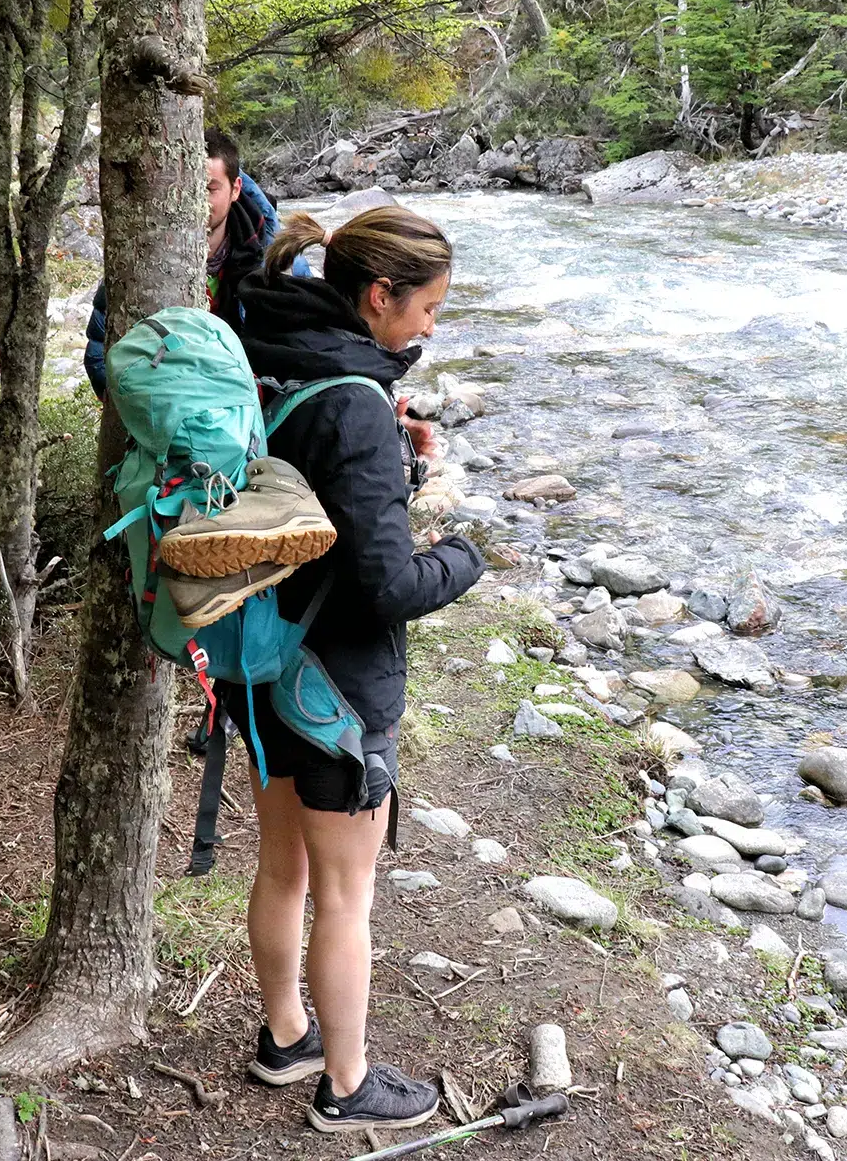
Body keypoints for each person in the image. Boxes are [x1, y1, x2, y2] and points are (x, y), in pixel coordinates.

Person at [227, 205, 483, 1132]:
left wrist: (393, 469)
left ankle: (287, 1034)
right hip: (338, 688)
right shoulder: (358, 403)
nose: (429, 326)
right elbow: (386, 584)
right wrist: (464, 554)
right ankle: (347, 1081)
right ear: (379, 296)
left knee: (282, 867)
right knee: (345, 894)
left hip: (265, 665)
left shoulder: (281, 357)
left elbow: (319, 503)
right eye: (428, 307)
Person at [82, 126, 308, 396]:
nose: (197, 202)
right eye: (189, 188)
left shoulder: (280, 260)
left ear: (235, 189)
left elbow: (305, 349)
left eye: (210, 189)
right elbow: (99, 351)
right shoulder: (142, 256)